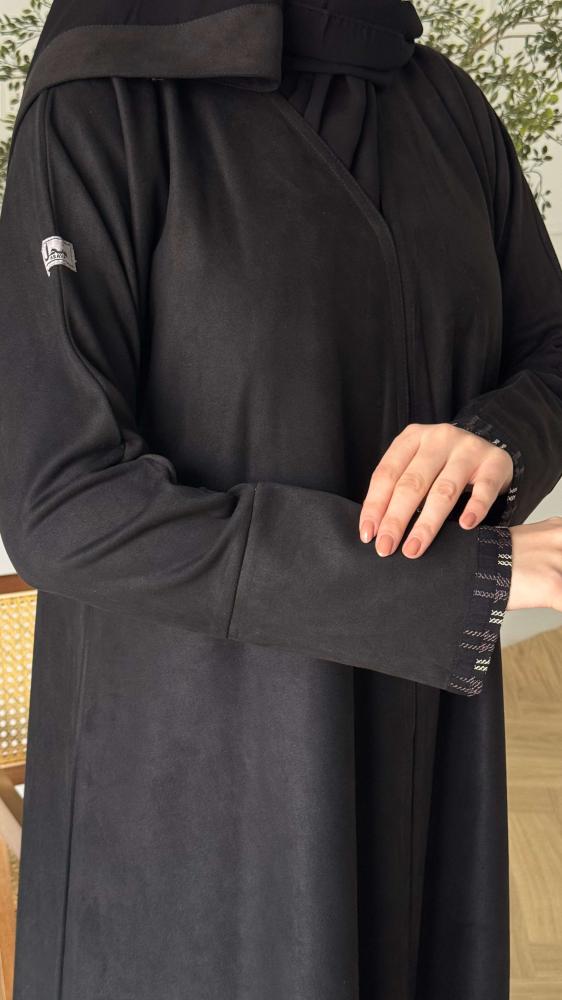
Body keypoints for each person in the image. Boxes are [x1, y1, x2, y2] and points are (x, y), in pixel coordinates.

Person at [0, 1, 560, 998]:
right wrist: (451, 583)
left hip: (419, 743)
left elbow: (550, 348)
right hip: (199, 779)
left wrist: (496, 437)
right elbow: (64, 504)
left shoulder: (442, 106)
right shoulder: (102, 103)